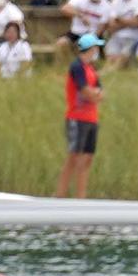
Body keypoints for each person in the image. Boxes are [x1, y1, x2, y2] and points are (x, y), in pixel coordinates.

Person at [58, 33, 103, 197]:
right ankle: (60, 195)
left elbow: (100, 92)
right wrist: (93, 94)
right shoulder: (76, 67)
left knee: (87, 158)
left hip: (92, 118)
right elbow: (85, 92)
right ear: (90, 49)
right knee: (74, 157)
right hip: (77, 118)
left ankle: (81, 196)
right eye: (95, 48)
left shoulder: (91, 68)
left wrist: (95, 94)